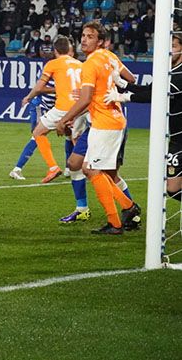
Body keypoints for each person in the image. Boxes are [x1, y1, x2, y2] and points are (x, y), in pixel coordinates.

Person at [56, 22, 141, 235]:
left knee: (91, 170)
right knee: (93, 169)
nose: (84, 39)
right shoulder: (109, 57)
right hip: (112, 120)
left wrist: (64, 119)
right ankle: (123, 215)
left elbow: (85, 98)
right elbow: (131, 79)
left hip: (105, 123)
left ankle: (124, 213)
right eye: (83, 36)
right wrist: (113, 84)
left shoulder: (90, 63)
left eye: (90, 36)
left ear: (101, 41)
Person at [107, 34, 182, 201]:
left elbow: (153, 96)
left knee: (172, 188)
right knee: (173, 188)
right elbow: (149, 90)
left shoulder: (179, 74)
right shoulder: (169, 72)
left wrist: (124, 97)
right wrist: (123, 84)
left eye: (174, 46)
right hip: (177, 137)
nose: (169, 50)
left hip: (180, 139)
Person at [14, 36, 81, 183]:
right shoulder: (80, 64)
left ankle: (53, 167)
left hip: (63, 107)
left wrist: (28, 97)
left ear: (55, 50)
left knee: (38, 132)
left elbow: (39, 88)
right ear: (69, 49)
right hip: (80, 107)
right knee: (75, 138)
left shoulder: (53, 64)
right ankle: (89, 168)